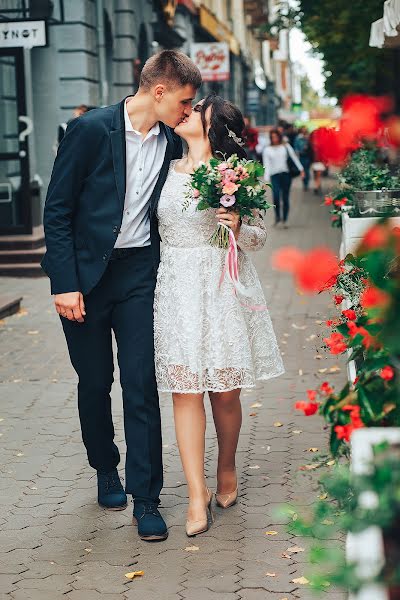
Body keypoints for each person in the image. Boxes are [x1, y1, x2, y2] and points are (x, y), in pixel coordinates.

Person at [41, 50, 202, 542]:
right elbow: (58, 209)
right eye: (184, 101)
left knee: (140, 383)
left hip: (138, 273)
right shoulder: (91, 131)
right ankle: (104, 466)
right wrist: (64, 282)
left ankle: (147, 498)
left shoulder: (175, 141)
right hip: (86, 277)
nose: (189, 111)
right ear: (158, 92)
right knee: (94, 381)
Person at [154, 93, 284, 537]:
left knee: (225, 392)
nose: (184, 112)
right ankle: (196, 493)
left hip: (221, 286)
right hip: (175, 288)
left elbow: (257, 240)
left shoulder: (236, 177)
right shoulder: (162, 167)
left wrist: (237, 225)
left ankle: (226, 465)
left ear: (212, 128)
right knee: (184, 391)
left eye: (196, 111)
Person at [261, 128, 304, 228]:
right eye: (272, 137)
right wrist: (266, 181)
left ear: (279, 137)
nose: (274, 139)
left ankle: (285, 219)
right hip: (274, 176)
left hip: (286, 175)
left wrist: (301, 169)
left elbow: (294, 157)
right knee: (276, 196)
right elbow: (266, 165)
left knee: (285, 197)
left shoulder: (286, 146)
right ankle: (277, 217)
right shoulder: (267, 149)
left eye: (276, 137)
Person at [294, 126, 313, 191]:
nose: (304, 131)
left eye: (305, 130)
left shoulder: (308, 138)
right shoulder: (298, 138)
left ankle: (306, 183)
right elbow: (296, 147)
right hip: (301, 156)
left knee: (307, 171)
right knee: (302, 170)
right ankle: (304, 183)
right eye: (303, 130)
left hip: (307, 156)